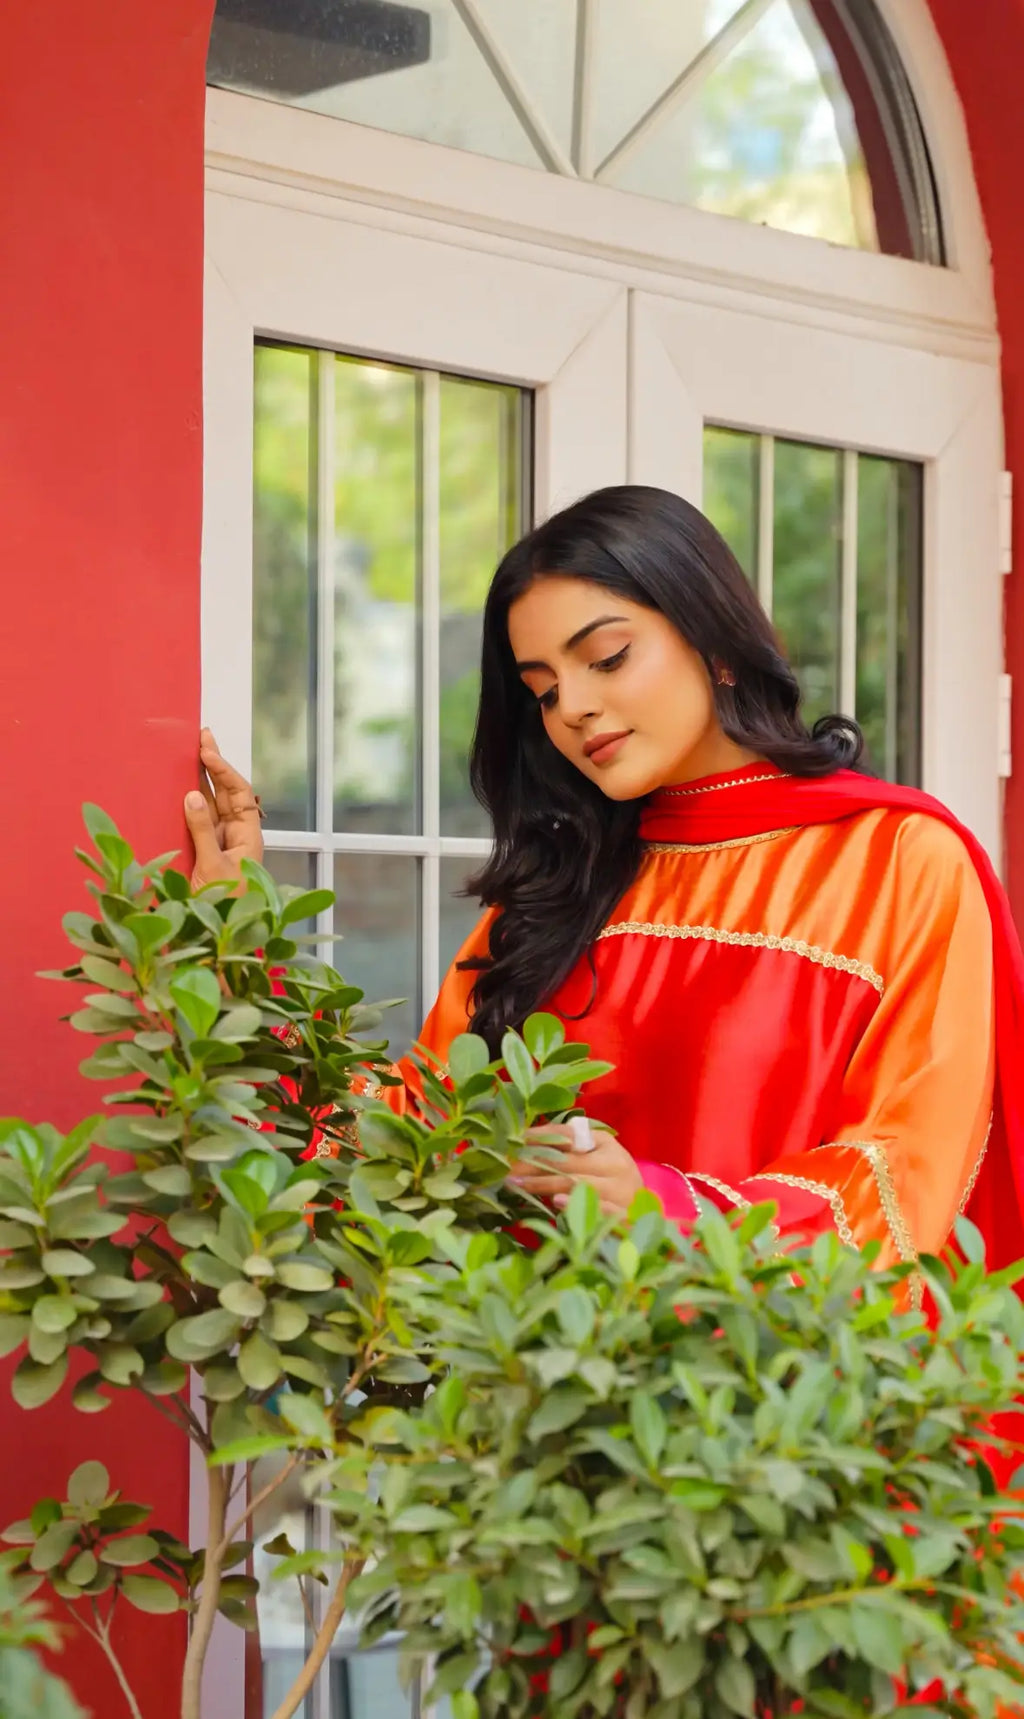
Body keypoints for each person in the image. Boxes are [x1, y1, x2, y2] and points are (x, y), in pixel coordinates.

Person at [186, 485, 1024, 1283]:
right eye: (543, 691)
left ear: (717, 641)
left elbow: (906, 1173)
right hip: (539, 1398)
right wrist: (238, 947)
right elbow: (414, 1132)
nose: (573, 707)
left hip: (786, 1410)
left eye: (606, 657)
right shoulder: (562, 887)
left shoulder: (898, 861)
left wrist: (665, 1212)